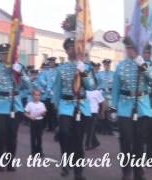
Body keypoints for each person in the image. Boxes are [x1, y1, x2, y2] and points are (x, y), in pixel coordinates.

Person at [112, 38, 152, 180]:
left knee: (139, 142)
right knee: (125, 140)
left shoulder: (146, 64)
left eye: (132, 48)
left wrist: (142, 64)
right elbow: (116, 88)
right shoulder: (121, 66)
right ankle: (126, 170)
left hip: (142, 108)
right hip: (124, 107)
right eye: (128, 48)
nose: (130, 51)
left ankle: (138, 173)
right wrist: (113, 108)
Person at [52, 38, 96, 180]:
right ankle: (66, 161)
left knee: (78, 140)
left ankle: (78, 172)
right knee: (64, 134)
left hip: (81, 106)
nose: (73, 49)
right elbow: (57, 90)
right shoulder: (61, 69)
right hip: (66, 106)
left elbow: (90, 86)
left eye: (74, 47)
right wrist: (57, 109)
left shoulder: (86, 67)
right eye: (70, 47)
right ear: (66, 50)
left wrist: (83, 72)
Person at [0, 43, 30, 172]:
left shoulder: (19, 67)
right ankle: (0, 161)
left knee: (12, 135)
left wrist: (20, 73)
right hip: (0, 106)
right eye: (2, 54)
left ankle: (10, 162)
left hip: (15, 106)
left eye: (7, 54)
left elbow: (29, 86)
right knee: (0, 134)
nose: (4, 56)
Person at [24, 90, 47, 157]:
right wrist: (30, 117)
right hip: (33, 121)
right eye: (35, 95)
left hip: (40, 121)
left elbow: (44, 113)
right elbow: (25, 113)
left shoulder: (42, 104)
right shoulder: (30, 104)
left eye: (38, 95)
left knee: (39, 137)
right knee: (33, 137)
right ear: (32, 96)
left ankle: (39, 151)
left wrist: (42, 114)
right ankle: (33, 152)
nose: (37, 97)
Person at [97, 59, 115, 135]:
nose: (107, 66)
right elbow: (96, 84)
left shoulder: (113, 74)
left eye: (108, 65)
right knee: (102, 112)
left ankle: (110, 130)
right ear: (103, 65)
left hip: (110, 96)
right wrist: (100, 89)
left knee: (110, 113)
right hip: (102, 95)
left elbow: (116, 84)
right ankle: (103, 129)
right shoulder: (99, 74)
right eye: (106, 65)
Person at [39, 57, 58, 132]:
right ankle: (46, 126)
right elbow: (41, 79)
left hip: (54, 95)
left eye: (52, 62)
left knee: (53, 113)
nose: (51, 64)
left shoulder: (57, 71)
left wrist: (54, 89)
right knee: (47, 111)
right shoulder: (45, 72)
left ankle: (53, 127)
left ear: (54, 63)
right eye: (50, 62)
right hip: (47, 95)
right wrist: (47, 86)